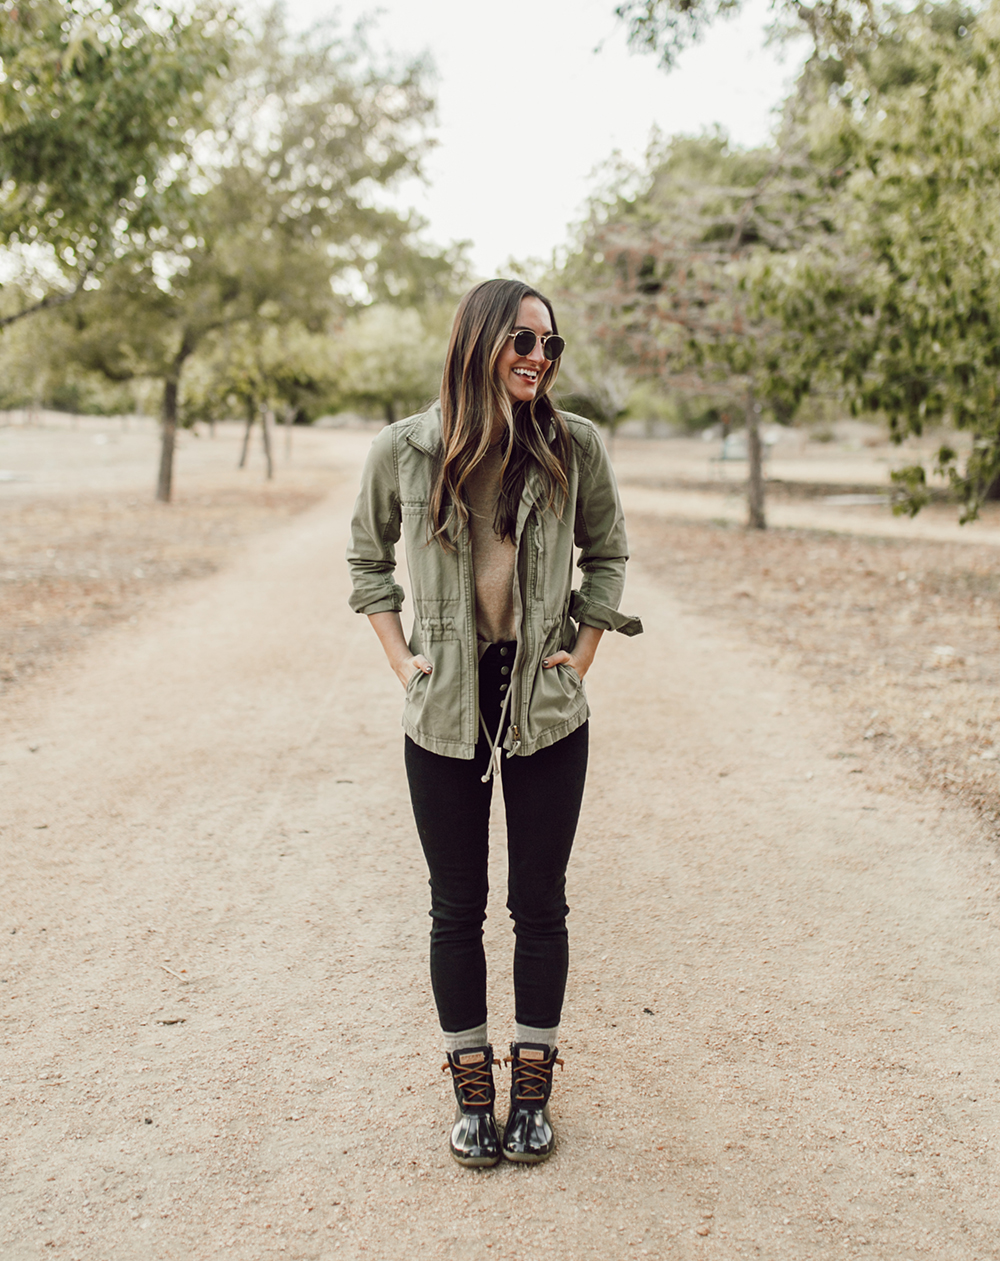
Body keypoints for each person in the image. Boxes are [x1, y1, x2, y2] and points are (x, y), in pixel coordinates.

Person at [347, 278, 642, 1167]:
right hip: (444, 707)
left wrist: (584, 652)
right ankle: (473, 1094)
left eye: (550, 347)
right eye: (522, 341)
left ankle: (534, 1094)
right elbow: (367, 561)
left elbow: (610, 551)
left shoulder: (574, 446)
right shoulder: (404, 450)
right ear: (478, 340)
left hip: (544, 702)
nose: (538, 359)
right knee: (455, 906)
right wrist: (403, 662)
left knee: (539, 904)